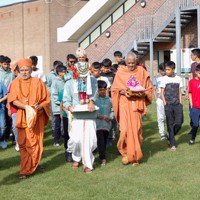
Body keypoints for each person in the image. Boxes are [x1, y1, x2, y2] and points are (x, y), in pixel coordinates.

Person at [8, 58, 50, 179]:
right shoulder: (15, 83)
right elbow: (13, 100)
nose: (24, 72)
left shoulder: (38, 82)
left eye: (27, 69)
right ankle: (25, 169)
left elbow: (46, 99)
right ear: (19, 71)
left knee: (35, 142)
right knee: (24, 143)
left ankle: (33, 165)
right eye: (22, 70)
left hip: (37, 117)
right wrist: (26, 107)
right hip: (22, 116)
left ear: (31, 70)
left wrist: (39, 106)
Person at [111, 52, 152, 166]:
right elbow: (114, 89)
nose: (131, 65)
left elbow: (149, 89)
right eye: (128, 63)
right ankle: (125, 153)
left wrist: (142, 94)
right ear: (125, 62)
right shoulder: (120, 72)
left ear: (136, 61)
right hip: (124, 104)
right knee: (124, 131)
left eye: (133, 63)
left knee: (136, 130)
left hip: (136, 105)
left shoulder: (142, 72)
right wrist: (122, 91)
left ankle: (135, 158)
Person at [63, 54, 98, 173]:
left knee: (89, 140)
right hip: (76, 116)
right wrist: (69, 106)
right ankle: (76, 157)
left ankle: (87, 164)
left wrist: (92, 101)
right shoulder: (69, 82)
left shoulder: (93, 81)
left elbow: (95, 94)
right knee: (76, 140)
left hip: (89, 114)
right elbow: (66, 99)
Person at [160, 61, 183, 151]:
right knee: (170, 123)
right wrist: (165, 102)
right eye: (166, 69)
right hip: (168, 104)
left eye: (168, 70)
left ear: (173, 70)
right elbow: (162, 92)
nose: (166, 71)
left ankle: (170, 134)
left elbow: (180, 92)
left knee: (179, 123)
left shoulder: (179, 79)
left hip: (177, 104)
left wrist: (180, 103)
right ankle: (172, 144)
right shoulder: (164, 79)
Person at [95, 80, 113, 166]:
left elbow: (113, 110)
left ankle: (102, 153)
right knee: (100, 141)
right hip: (98, 124)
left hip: (107, 124)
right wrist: (97, 115)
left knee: (104, 141)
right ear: (97, 90)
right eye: (100, 89)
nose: (102, 91)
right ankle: (103, 158)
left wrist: (111, 117)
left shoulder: (109, 100)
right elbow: (92, 110)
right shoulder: (94, 100)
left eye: (104, 89)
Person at [0, 56, 15, 146]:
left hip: (9, 96)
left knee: (10, 116)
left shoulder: (11, 74)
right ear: (1, 64)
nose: (7, 66)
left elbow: (12, 85)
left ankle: (9, 135)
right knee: (2, 118)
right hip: (1, 96)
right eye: (5, 64)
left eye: (8, 64)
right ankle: (4, 136)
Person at [51, 64, 67, 146]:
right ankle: (56, 140)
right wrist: (60, 102)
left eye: (65, 71)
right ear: (59, 73)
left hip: (65, 107)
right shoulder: (55, 82)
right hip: (57, 108)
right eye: (63, 72)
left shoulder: (66, 81)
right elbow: (54, 95)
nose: (65, 73)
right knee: (57, 125)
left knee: (65, 124)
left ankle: (65, 138)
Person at [153, 63, 167, 141]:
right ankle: (162, 133)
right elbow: (154, 88)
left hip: (168, 99)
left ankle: (169, 131)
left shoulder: (169, 77)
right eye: (162, 70)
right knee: (160, 117)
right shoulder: (156, 78)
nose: (164, 72)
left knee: (169, 116)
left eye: (165, 70)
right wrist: (156, 99)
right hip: (160, 99)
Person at [188, 64, 200, 145]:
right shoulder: (192, 82)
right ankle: (192, 138)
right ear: (196, 72)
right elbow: (190, 93)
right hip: (195, 107)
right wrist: (191, 104)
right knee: (195, 124)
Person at [58, 88, 70, 161]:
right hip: (66, 115)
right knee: (66, 133)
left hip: (74, 115)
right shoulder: (62, 91)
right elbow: (61, 103)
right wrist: (61, 113)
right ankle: (67, 148)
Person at [0, 81, 8, 149]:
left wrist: (0, 100)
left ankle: (2, 140)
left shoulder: (1, 84)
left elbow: (7, 95)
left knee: (3, 126)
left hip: (1, 109)